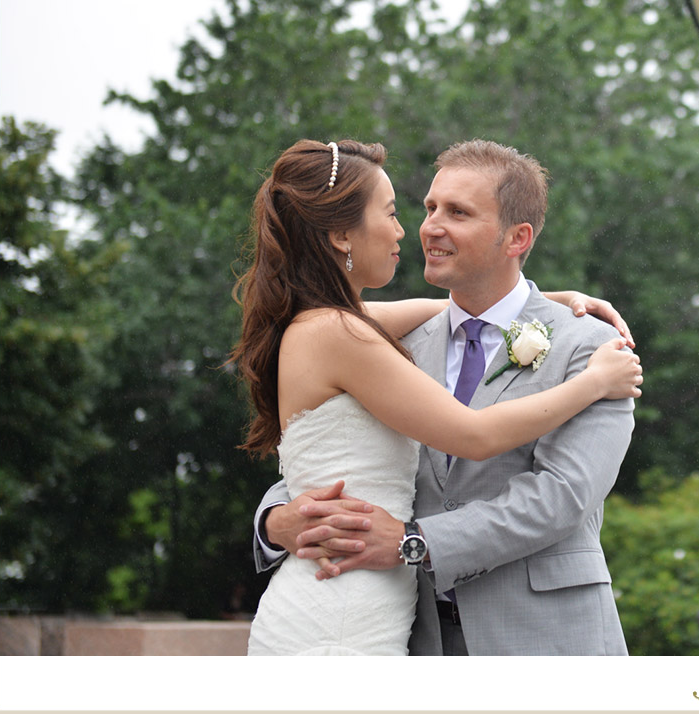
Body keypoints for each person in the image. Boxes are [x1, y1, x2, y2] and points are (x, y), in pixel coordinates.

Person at [235, 138, 642, 656]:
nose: (426, 226)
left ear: (517, 237)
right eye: (428, 207)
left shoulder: (590, 346)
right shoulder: (383, 346)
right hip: (410, 639)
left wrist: (416, 542)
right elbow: (330, 465)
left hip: (543, 641)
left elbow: (561, 498)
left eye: (457, 212)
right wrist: (275, 521)